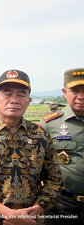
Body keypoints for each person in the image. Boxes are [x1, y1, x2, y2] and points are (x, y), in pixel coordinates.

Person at [0, 69, 63, 225]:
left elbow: (54, 181)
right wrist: (9, 214)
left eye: (21, 94)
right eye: (7, 93)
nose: (14, 100)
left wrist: (34, 212)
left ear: (28, 100)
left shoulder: (40, 136)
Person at [39, 68, 84, 224]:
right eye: (75, 90)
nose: (81, 96)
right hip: (62, 205)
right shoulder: (49, 124)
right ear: (64, 92)